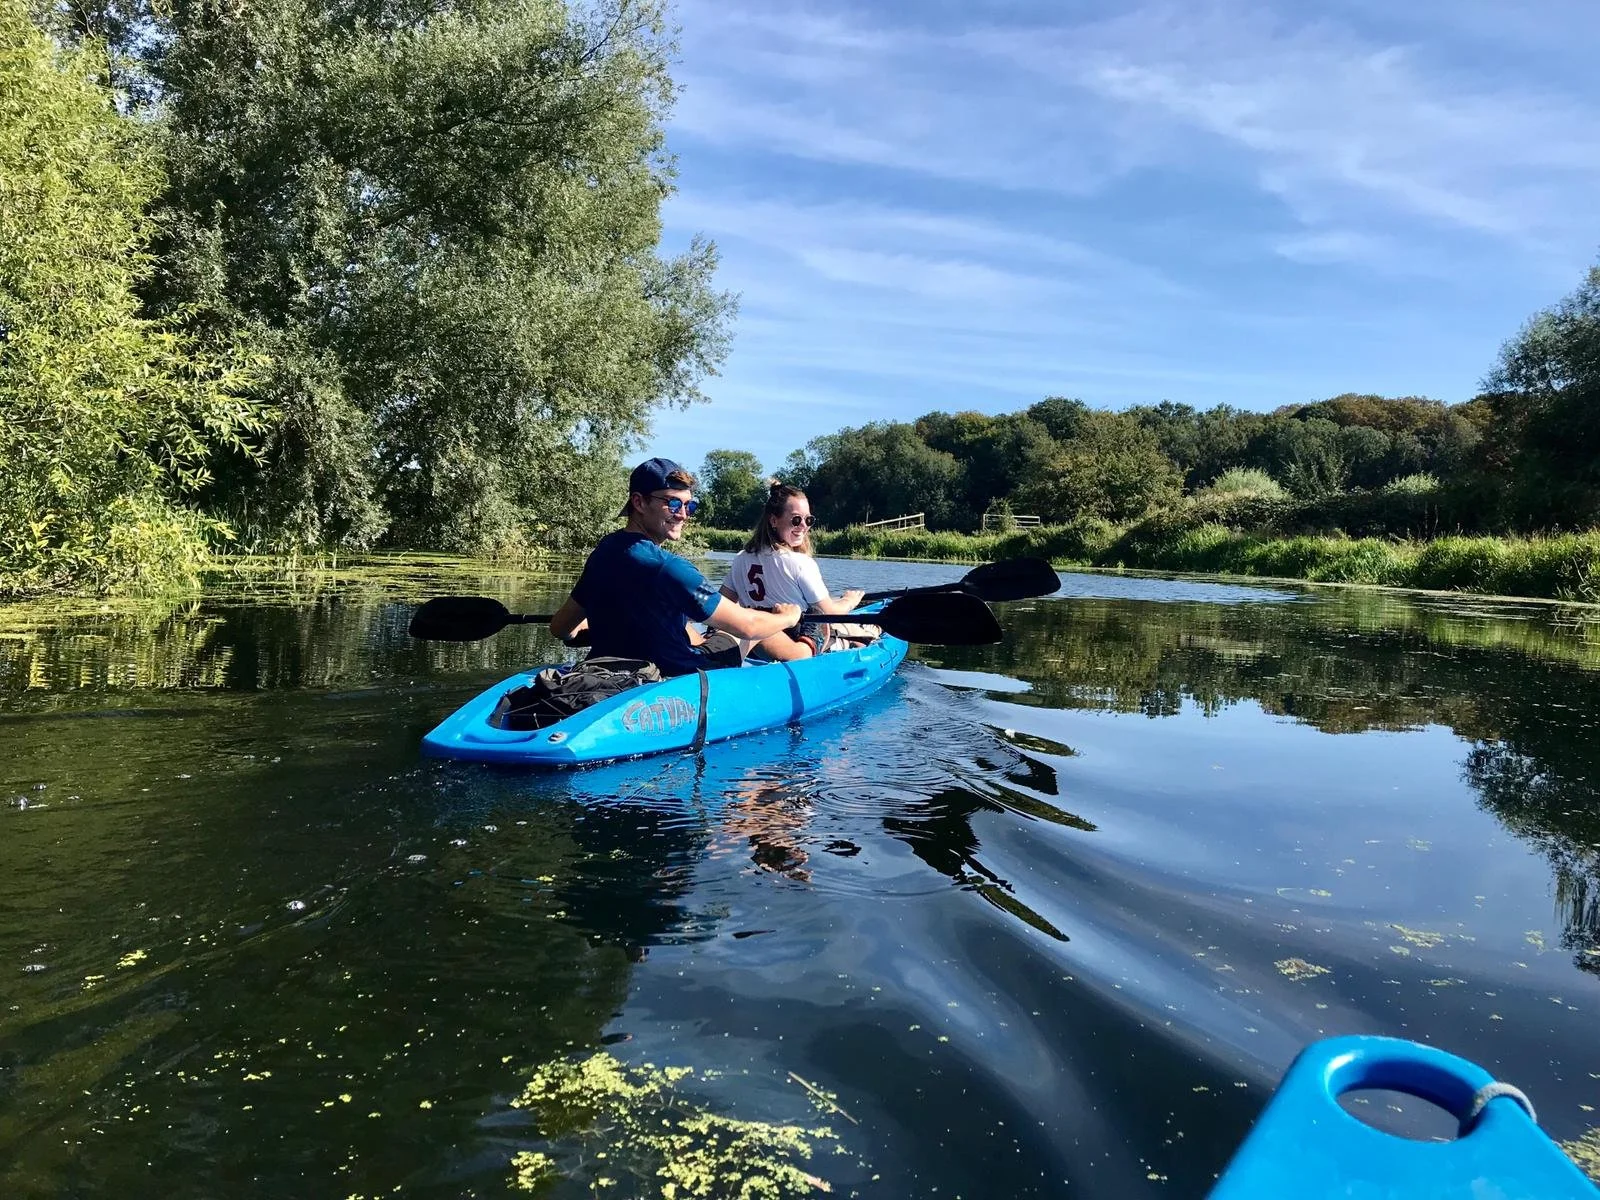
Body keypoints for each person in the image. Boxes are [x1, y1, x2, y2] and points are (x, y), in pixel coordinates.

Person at [548, 458, 801, 676]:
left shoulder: (604, 552)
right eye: (673, 503)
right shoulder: (668, 567)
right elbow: (748, 626)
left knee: (689, 627)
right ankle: (809, 647)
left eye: (689, 505)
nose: (683, 514)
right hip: (679, 676)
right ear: (638, 502)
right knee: (739, 630)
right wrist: (788, 617)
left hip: (611, 671)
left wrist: (602, 629)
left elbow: (560, 628)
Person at [720, 481, 867, 661]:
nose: (803, 526)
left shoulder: (740, 558)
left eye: (808, 520)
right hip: (797, 640)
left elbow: (723, 603)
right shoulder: (800, 563)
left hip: (757, 642)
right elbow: (830, 612)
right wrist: (849, 601)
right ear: (774, 520)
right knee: (862, 638)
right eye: (796, 519)